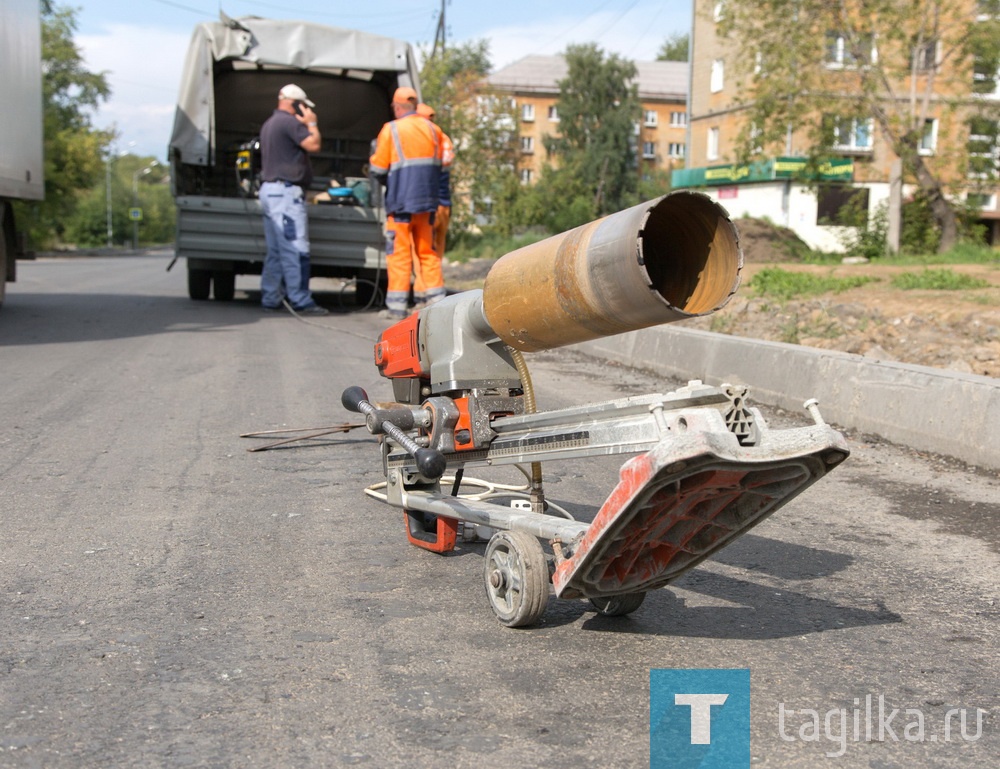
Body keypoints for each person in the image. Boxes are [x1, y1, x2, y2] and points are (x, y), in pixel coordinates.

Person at [369, 87, 450, 320]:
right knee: (428, 252)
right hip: (428, 204)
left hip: (401, 204)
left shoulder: (391, 130)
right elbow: (443, 167)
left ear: (396, 107)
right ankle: (438, 304)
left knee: (400, 255)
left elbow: (378, 169)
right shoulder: (435, 131)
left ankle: (397, 307)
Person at [258, 84, 328, 315]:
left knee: (276, 250)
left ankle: (270, 296)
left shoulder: (269, 123)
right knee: (295, 248)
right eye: (304, 105)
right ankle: (300, 299)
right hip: (286, 194)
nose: (306, 109)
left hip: (270, 192)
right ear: (295, 103)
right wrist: (312, 123)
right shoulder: (290, 123)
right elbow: (314, 144)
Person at [412, 102, 454, 308]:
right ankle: (434, 292)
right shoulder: (442, 138)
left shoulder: (420, 139)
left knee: (421, 249)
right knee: (436, 251)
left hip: (426, 204)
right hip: (443, 203)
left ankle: (423, 293)